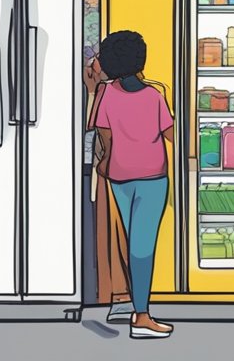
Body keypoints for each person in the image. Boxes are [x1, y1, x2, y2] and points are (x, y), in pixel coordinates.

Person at [90, 30, 173, 340]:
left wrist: (105, 162)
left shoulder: (106, 94)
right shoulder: (154, 96)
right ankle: (141, 316)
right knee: (143, 246)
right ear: (141, 61)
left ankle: (139, 310)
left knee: (133, 242)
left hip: (120, 177)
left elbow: (104, 135)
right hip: (153, 178)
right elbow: (172, 134)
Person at [85, 53, 134, 324]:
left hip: (113, 171)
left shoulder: (106, 92)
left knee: (115, 234)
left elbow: (93, 125)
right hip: (145, 171)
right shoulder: (151, 91)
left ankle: (120, 297)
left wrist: (91, 90)